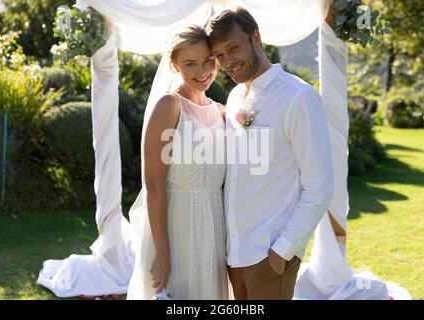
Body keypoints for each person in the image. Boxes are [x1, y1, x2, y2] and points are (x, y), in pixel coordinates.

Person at [206, 7, 334, 300]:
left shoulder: (299, 97)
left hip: (269, 256)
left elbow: (320, 186)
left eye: (233, 49)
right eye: (219, 55)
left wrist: (282, 251)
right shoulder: (237, 96)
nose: (227, 62)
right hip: (233, 255)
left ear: (256, 39)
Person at [127, 25, 229, 300]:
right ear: (174, 65)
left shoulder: (222, 112)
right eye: (190, 63)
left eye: (208, 60)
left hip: (214, 230)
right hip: (175, 229)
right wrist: (162, 253)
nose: (202, 70)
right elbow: (154, 184)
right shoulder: (169, 106)